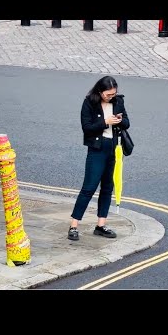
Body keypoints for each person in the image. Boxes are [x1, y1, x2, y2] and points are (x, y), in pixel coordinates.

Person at [68, 75, 130, 241]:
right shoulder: (89, 102)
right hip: (97, 149)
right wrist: (105, 122)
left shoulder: (118, 101)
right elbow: (87, 128)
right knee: (89, 187)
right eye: (108, 94)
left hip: (112, 148)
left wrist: (119, 120)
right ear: (100, 91)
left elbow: (127, 123)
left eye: (113, 94)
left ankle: (101, 225)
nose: (111, 97)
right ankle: (74, 226)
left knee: (108, 187)